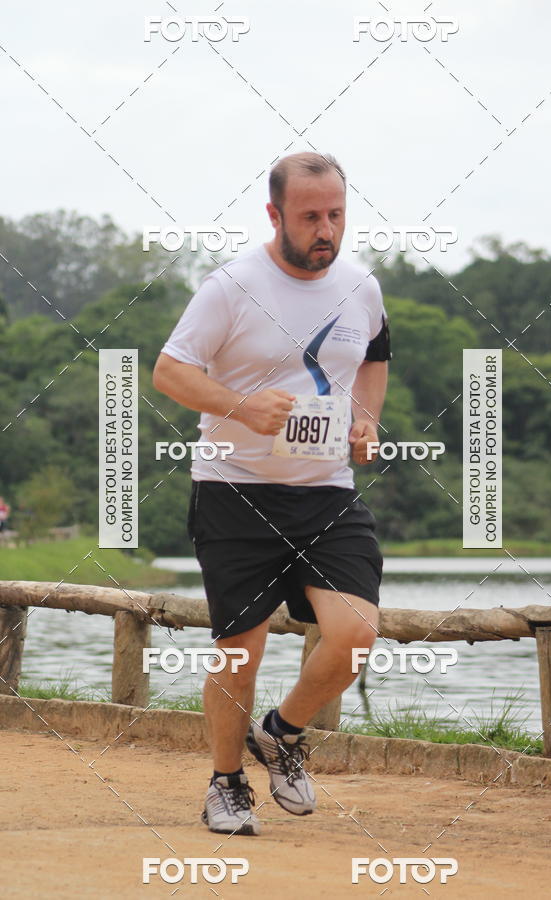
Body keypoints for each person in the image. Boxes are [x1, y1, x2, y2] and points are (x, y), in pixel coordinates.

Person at [153, 151, 391, 836]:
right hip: (236, 491)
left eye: (336, 214)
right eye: (310, 216)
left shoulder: (361, 287)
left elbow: (376, 356)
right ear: (275, 214)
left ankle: (282, 732)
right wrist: (241, 406)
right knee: (241, 651)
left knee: (355, 633)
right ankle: (226, 784)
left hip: (326, 494)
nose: (326, 229)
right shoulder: (231, 287)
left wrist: (367, 419)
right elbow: (169, 371)